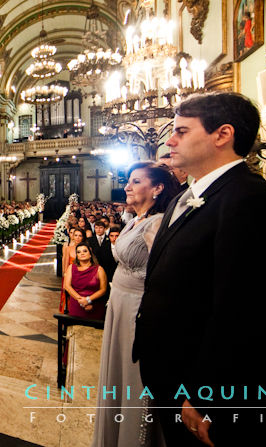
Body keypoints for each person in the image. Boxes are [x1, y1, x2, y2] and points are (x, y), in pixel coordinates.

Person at [133, 92, 266, 446]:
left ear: (222, 135)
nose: (170, 140)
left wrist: (205, 394)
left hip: (212, 394)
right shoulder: (191, 196)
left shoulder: (254, 204)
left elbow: (250, 316)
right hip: (173, 373)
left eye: (182, 131)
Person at [90, 162, 178, 447]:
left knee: (133, 373)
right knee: (117, 370)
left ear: (157, 188)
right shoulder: (135, 220)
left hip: (136, 306)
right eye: (128, 181)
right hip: (119, 301)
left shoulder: (156, 223)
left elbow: (163, 272)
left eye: (136, 181)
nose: (126, 186)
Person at [63, 243, 107, 320]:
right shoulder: (71, 268)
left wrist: (88, 300)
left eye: (85, 251)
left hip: (94, 305)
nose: (82, 253)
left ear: (90, 254)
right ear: (77, 256)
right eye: (78, 252)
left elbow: (103, 289)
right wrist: (81, 300)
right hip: (76, 305)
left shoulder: (99, 269)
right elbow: (67, 286)